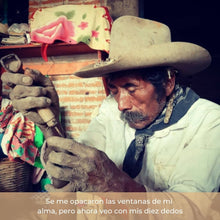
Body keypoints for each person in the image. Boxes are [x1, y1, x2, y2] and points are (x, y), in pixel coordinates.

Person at [1, 16, 220, 193]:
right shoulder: (109, 108)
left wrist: (116, 185)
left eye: (132, 88)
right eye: (115, 90)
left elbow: (192, 211)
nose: (121, 105)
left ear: (168, 82)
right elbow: (73, 179)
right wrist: (49, 127)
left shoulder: (209, 121)